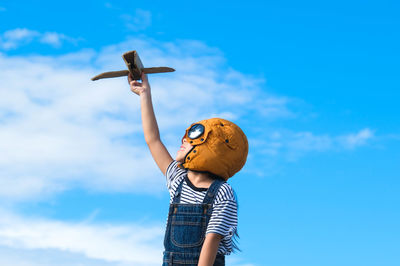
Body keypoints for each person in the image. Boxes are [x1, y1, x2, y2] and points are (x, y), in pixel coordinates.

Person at [129, 72, 248, 266]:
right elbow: (153, 140)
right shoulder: (178, 180)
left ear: (212, 149)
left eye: (195, 138)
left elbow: (211, 242)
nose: (184, 140)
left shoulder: (223, 193)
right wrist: (144, 94)